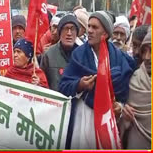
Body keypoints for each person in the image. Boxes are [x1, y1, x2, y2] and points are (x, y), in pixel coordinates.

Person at [58, 11, 136, 149]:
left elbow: (124, 89)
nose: (89, 30)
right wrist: (80, 84)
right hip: (85, 117)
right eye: (89, 26)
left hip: (109, 118)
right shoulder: (79, 54)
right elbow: (64, 85)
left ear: (105, 33)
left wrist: (120, 106)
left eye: (95, 27)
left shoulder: (119, 58)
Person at [119, 28, 151, 149]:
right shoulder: (134, 79)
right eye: (145, 51)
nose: (147, 57)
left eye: (151, 51)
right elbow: (121, 119)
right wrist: (123, 114)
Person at [40, 14, 79, 91]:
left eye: (73, 29)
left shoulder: (82, 54)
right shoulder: (48, 55)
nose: (69, 33)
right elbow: (42, 83)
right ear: (60, 32)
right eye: (66, 29)